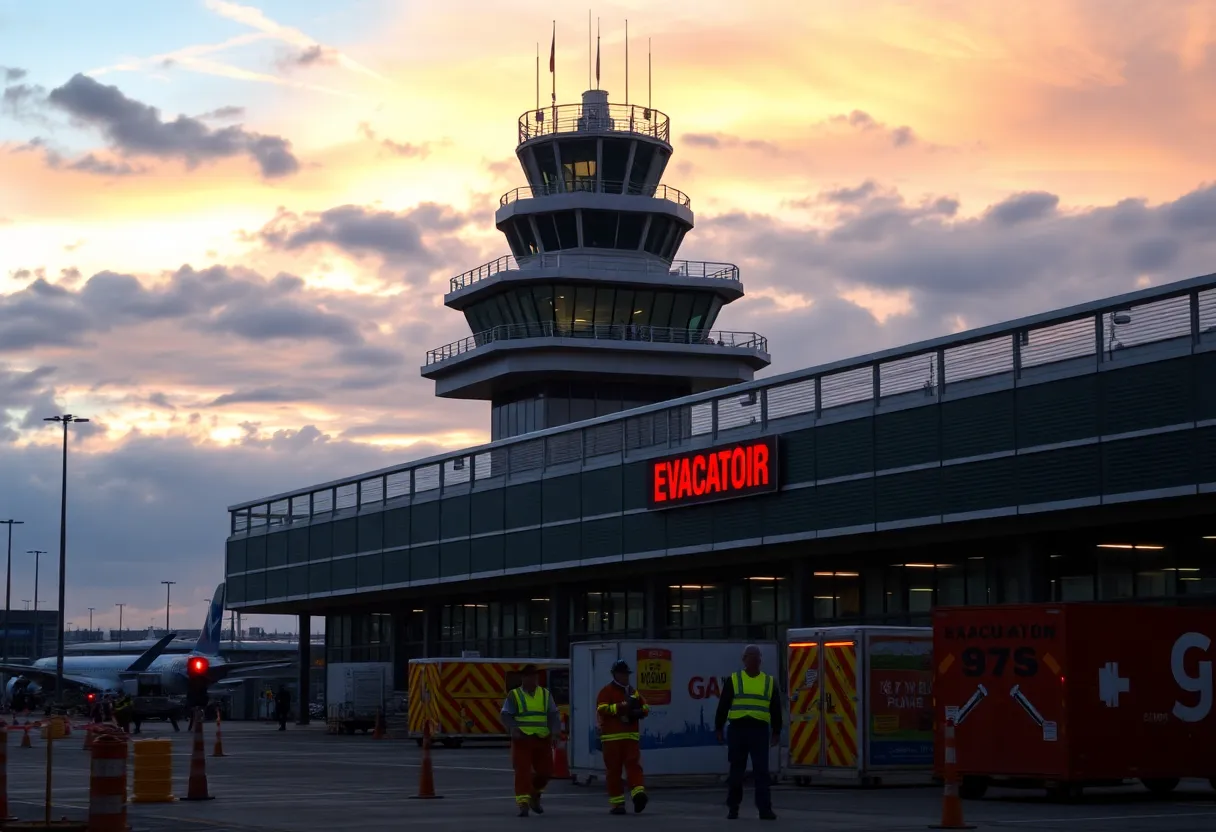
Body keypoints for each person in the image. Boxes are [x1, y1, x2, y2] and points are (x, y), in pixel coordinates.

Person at [714, 644, 782, 821]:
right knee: (736, 772)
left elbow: (775, 708)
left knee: (762, 772)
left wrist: (776, 731)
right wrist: (719, 727)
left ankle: (765, 809)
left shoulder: (768, 681)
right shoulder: (734, 680)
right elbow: (723, 705)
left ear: (760, 659)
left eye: (756, 656)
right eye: (750, 656)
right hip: (738, 730)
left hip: (759, 731)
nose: (754, 659)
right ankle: (733, 808)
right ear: (744, 659)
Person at [500, 664, 560, 817]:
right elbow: (506, 715)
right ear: (523, 678)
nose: (532, 679)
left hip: (542, 739)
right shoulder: (514, 695)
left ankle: (534, 794)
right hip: (522, 740)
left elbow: (553, 715)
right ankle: (523, 804)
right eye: (529, 676)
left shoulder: (545, 694)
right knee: (522, 771)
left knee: (546, 772)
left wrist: (554, 733)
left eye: (534, 676)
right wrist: (513, 728)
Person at [596, 659, 649, 815]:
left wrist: (638, 712)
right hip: (611, 738)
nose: (625, 677)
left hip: (630, 737)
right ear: (615, 675)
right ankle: (617, 804)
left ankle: (638, 794)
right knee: (614, 771)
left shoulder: (633, 692)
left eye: (626, 674)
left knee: (633, 766)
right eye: (622, 674)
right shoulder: (606, 691)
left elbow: (645, 706)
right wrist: (623, 707)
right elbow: (602, 709)